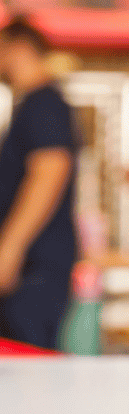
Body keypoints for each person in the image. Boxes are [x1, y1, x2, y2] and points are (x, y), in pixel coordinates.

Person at [0, 17, 78, 349]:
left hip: (35, 268)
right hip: (33, 264)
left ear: (17, 48)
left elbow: (50, 171)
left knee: (28, 365)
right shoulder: (36, 103)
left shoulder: (43, 102)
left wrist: (10, 250)